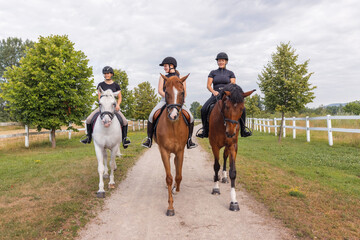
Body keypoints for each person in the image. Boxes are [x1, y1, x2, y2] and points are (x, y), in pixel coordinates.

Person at [142, 57, 197, 149]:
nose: (164, 68)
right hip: (165, 100)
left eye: (165, 66)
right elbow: (160, 90)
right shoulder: (162, 77)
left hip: (178, 102)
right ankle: (149, 139)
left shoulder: (181, 77)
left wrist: (181, 98)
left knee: (190, 117)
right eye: (164, 66)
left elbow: (185, 91)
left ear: (172, 66)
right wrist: (168, 98)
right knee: (151, 115)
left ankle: (189, 140)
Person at [196, 52, 252, 138]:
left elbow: (233, 85)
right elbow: (208, 85)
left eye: (222, 60)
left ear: (226, 61)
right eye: (219, 61)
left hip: (227, 95)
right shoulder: (213, 72)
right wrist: (214, 92)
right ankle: (205, 130)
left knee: (243, 109)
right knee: (203, 109)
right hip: (216, 95)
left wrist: (227, 92)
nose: (220, 62)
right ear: (217, 62)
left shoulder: (230, 73)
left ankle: (243, 130)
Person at [80, 66, 131, 148]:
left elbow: (120, 97)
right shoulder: (101, 85)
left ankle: (124, 139)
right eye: (105, 73)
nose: (106, 75)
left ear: (112, 74)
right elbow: (99, 96)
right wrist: (102, 105)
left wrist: (118, 105)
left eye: (108, 73)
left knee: (125, 121)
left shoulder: (116, 85)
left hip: (113, 107)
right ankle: (88, 137)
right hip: (103, 107)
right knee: (88, 119)